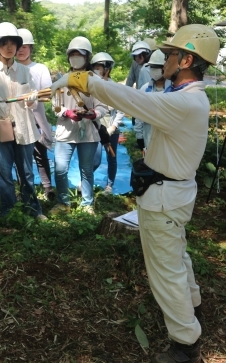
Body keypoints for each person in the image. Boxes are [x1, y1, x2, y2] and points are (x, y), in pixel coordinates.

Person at [51, 24, 221, 363]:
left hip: (163, 198)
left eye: (171, 54)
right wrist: (88, 90)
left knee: (166, 271)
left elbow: (135, 100)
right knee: (178, 260)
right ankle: (194, 313)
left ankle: (186, 345)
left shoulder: (186, 103)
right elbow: (141, 100)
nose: (163, 60)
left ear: (187, 59)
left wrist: (86, 80)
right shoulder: (183, 98)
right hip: (168, 194)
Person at [0, 22, 46, 220]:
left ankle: (33, 210)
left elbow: (32, 103)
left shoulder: (25, 72)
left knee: (26, 171)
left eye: (13, 43)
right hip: (0, 128)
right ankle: (8, 212)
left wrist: (32, 100)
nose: (9, 47)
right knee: (4, 173)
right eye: (4, 43)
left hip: (24, 128)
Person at [50, 37, 107, 215]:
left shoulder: (94, 80)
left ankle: (87, 204)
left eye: (79, 55)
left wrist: (93, 114)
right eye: (72, 54)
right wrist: (66, 113)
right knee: (60, 169)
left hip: (88, 132)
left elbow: (102, 106)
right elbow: (55, 105)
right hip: (65, 131)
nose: (76, 58)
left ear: (87, 57)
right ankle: (63, 203)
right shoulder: (62, 80)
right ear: (68, 57)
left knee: (87, 170)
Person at [16, 28, 55, 200]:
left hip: (37, 119)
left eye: (25, 46)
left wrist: (35, 96)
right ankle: (24, 190)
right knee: (20, 157)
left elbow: (47, 92)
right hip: (17, 120)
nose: (21, 50)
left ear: (31, 48)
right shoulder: (11, 69)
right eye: (19, 46)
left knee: (40, 154)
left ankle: (48, 188)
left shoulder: (39, 68)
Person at [91, 52, 125, 195]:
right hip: (96, 128)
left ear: (107, 69)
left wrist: (113, 126)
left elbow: (121, 109)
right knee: (95, 159)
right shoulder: (91, 86)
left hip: (111, 129)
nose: (97, 71)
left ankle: (109, 186)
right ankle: (85, 181)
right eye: (95, 68)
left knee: (112, 157)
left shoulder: (115, 88)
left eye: (100, 68)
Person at [134, 50, 171, 152]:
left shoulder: (173, 90)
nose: (154, 70)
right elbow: (138, 115)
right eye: (152, 67)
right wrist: (139, 138)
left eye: (157, 67)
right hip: (149, 140)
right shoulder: (145, 89)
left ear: (165, 68)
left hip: (168, 143)